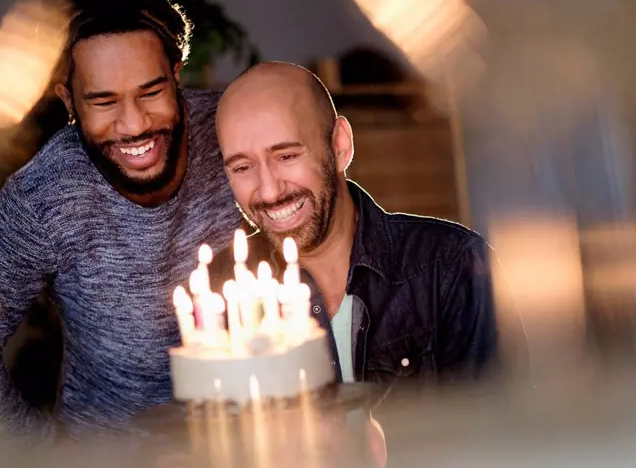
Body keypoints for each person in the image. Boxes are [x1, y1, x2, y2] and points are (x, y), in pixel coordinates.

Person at [0, 0, 241, 440]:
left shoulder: (238, 132)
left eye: (151, 92)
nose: (133, 124)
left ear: (176, 76)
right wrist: (43, 452)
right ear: (69, 102)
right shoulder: (44, 195)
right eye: (104, 101)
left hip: (256, 444)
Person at [210, 62, 512, 385]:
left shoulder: (452, 266)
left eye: (287, 156)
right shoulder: (220, 290)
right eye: (242, 167)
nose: (269, 190)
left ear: (340, 146)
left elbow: (504, 426)